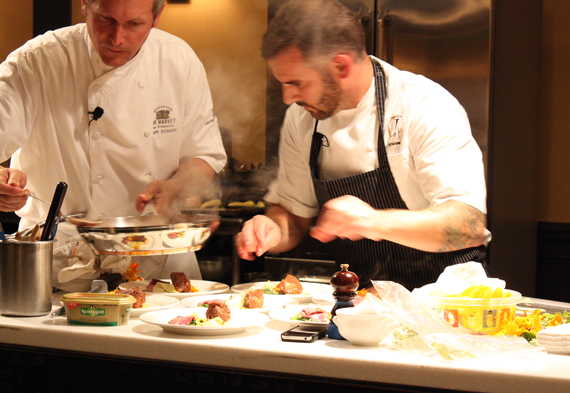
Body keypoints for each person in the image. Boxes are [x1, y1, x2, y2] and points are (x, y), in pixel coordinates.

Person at [235, 0, 490, 291]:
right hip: (361, 303)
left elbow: (468, 226)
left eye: (296, 83)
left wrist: (373, 221)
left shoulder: (423, 106)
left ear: (341, 66)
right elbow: (294, 216)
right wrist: (272, 230)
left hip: (446, 299)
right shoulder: (301, 117)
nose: (287, 97)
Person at [0, 0, 227, 290]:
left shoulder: (177, 60)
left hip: (157, 261)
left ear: (157, 16)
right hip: (59, 265)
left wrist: (176, 186)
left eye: (134, 24)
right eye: (106, 19)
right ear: (85, 5)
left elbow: (203, 156)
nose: (117, 38)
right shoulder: (37, 62)